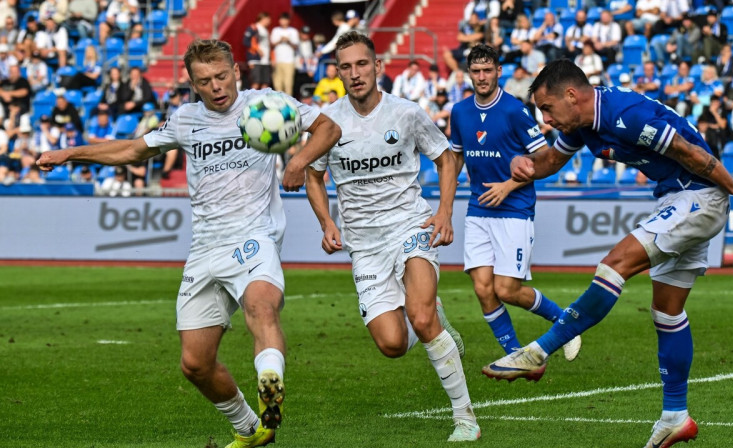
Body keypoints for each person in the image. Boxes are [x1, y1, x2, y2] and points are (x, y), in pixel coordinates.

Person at [37, 38, 342, 448]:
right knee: (195, 364)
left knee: (261, 306)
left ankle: (271, 378)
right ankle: (252, 430)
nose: (216, 86)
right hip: (204, 247)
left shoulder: (265, 103)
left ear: (236, 71)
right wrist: (72, 152)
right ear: (193, 85)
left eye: (221, 76)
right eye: (205, 81)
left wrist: (298, 160)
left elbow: (328, 127)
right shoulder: (185, 120)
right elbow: (131, 150)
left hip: (254, 236)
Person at [481, 59, 733, 447]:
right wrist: (524, 164)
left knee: (614, 265)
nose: (546, 120)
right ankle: (675, 416)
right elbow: (550, 159)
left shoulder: (625, 114)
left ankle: (538, 350)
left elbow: (690, 152)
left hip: (698, 195)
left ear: (571, 95)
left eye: (547, 108)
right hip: (679, 196)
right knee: (667, 313)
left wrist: (732, 185)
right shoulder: (582, 124)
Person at [304, 30, 481, 442]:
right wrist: (327, 223)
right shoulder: (328, 122)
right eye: (345, 67)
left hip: (409, 227)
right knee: (392, 344)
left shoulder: (406, 113)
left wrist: (443, 212)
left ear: (378, 66)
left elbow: (446, 158)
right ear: (338, 73)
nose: (355, 73)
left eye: (362, 64)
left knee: (421, 319)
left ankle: (465, 417)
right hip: (363, 244)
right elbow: (313, 176)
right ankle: (432, 309)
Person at [449, 44, 582, 360]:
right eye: (476, 71)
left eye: (487, 70)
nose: (481, 77)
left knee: (506, 290)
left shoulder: (515, 111)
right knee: (483, 289)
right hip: (478, 209)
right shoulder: (459, 112)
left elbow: (542, 159)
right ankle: (515, 354)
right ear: (470, 73)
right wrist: (445, 201)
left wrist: (509, 185)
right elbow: (455, 157)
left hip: (515, 210)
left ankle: (566, 324)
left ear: (498, 71)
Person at [270, 12, 299, 96]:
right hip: (278, 60)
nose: (283, 21)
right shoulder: (276, 30)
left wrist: (288, 41)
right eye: (281, 19)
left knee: (288, 84)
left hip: (289, 61)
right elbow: (272, 45)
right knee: (277, 84)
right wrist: (280, 40)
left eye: (285, 20)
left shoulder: (293, 31)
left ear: (288, 21)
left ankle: (288, 104)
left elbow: (296, 46)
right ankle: (279, 103)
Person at [243, 13, 272, 89]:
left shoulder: (266, 30)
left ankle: (263, 100)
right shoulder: (253, 28)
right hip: (255, 59)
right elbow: (246, 41)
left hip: (266, 60)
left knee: (265, 83)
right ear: (263, 19)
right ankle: (252, 100)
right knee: (256, 82)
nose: (269, 21)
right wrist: (257, 49)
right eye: (268, 19)